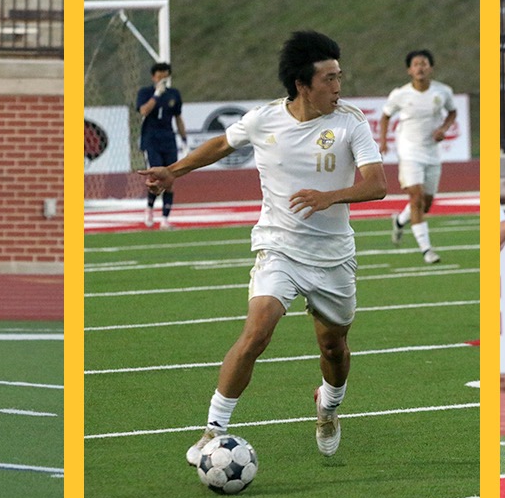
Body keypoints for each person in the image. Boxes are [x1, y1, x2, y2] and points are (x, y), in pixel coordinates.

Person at [143, 31, 386, 464]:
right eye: (328, 79)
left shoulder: (351, 122)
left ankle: (328, 406)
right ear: (302, 84)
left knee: (333, 348)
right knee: (257, 330)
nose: (338, 87)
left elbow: (377, 185)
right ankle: (213, 429)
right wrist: (175, 172)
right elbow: (221, 143)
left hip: (332, 254)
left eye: (339, 77)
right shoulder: (264, 119)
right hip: (278, 246)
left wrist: (329, 196)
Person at [380, 49, 458, 265]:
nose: (420, 67)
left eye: (424, 63)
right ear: (409, 70)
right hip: (408, 150)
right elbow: (386, 116)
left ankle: (400, 220)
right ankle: (427, 250)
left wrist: (444, 128)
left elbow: (452, 112)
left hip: (432, 152)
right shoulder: (400, 94)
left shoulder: (443, 92)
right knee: (416, 197)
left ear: (431, 67)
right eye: (416, 64)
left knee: (426, 203)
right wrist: (384, 141)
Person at [136, 61, 188, 228]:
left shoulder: (174, 94)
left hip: (168, 139)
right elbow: (144, 111)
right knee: (155, 175)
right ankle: (149, 208)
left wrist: (184, 139)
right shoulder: (145, 93)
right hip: (151, 139)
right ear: (153, 77)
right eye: (159, 77)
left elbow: (178, 118)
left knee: (171, 177)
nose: (162, 80)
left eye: (165, 77)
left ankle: (165, 219)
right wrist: (156, 95)